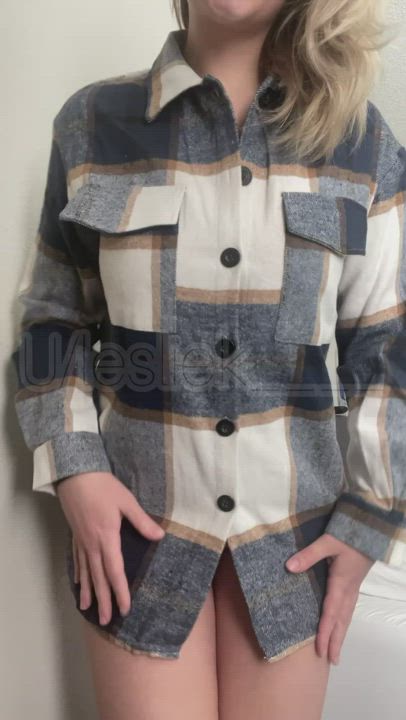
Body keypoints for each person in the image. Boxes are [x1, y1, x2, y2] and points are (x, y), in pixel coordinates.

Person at [11, 1, 406, 719]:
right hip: (138, 539)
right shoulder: (93, 122)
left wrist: (368, 522)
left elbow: (389, 349)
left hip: (296, 546)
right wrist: (75, 467)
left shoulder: (360, 140)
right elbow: (51, 319)